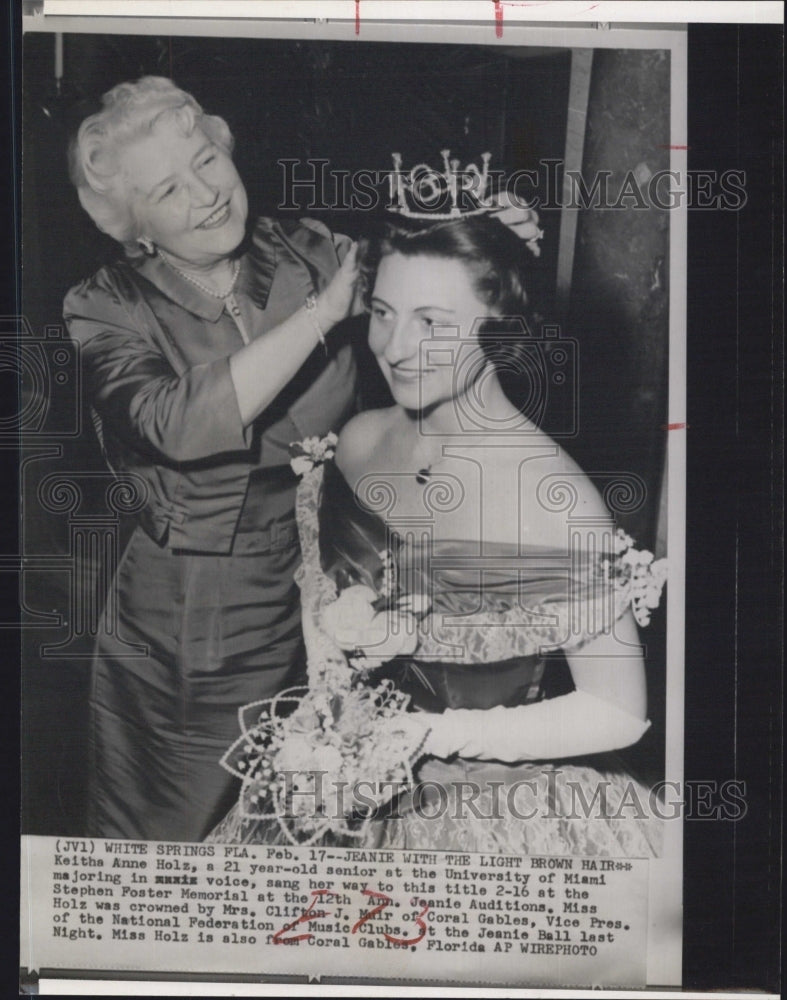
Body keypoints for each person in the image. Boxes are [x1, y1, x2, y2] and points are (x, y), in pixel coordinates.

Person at [210, 206, 667, 854]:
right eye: (384, 312)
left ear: (503, 333)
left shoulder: (549, 497)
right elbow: (322, 610)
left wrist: (431, 736)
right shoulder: (361, 439)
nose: (394, 348)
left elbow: (615, 712)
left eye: (432, 323)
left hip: (494, 811)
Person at [64, 76, 360, 842]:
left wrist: (488, 238)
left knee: (314, 821)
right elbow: (174, 422)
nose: (204, 194)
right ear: (136, 227)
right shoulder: (104, 306)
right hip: (193, 615)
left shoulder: (312, 249)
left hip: (337, 591)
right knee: (182, 827)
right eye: (166, 188)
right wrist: (320, 318)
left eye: (204, 161)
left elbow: (432, 297)